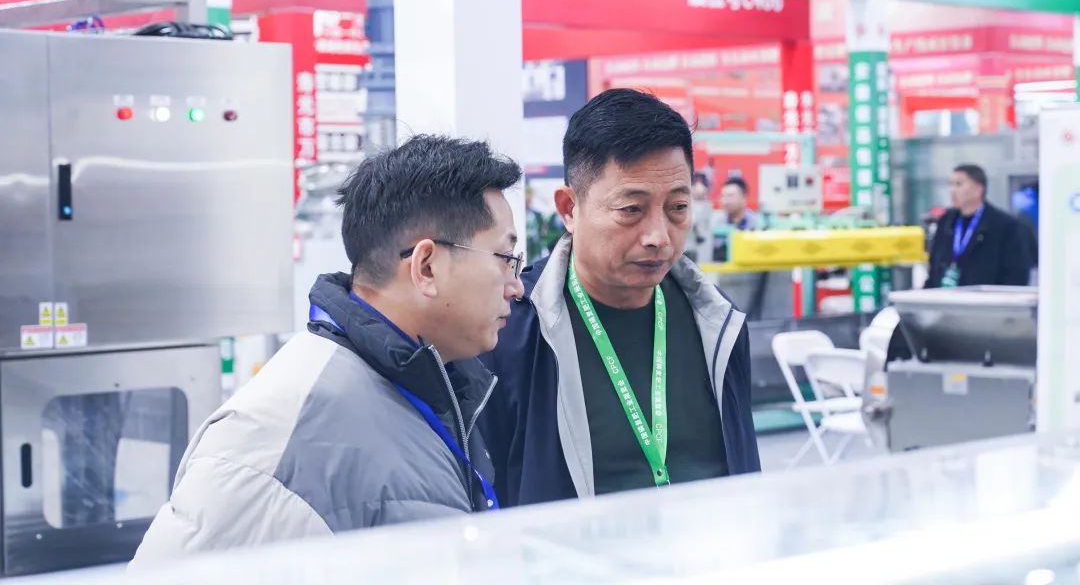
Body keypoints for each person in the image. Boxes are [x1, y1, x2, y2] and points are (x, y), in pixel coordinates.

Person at [131, 135, 525, 565]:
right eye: (505, 257)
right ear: (426, 266)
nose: (516, 286)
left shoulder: (431, 385)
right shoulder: (282, 437)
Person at [478, 89, 761, 507]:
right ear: (569, 208)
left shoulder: (718, 322)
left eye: (677, 207)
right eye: (631, 209)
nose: (658, 237)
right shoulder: (512, 329)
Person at [924, 163, 1032, 288]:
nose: (952, 190)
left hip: (985, 298)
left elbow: (1017, 274)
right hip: (945, 296)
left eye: (958, 184)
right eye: (950, 184)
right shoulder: (946, 221)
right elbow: (934, 267)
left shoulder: (1004, 225)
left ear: (978, 189)